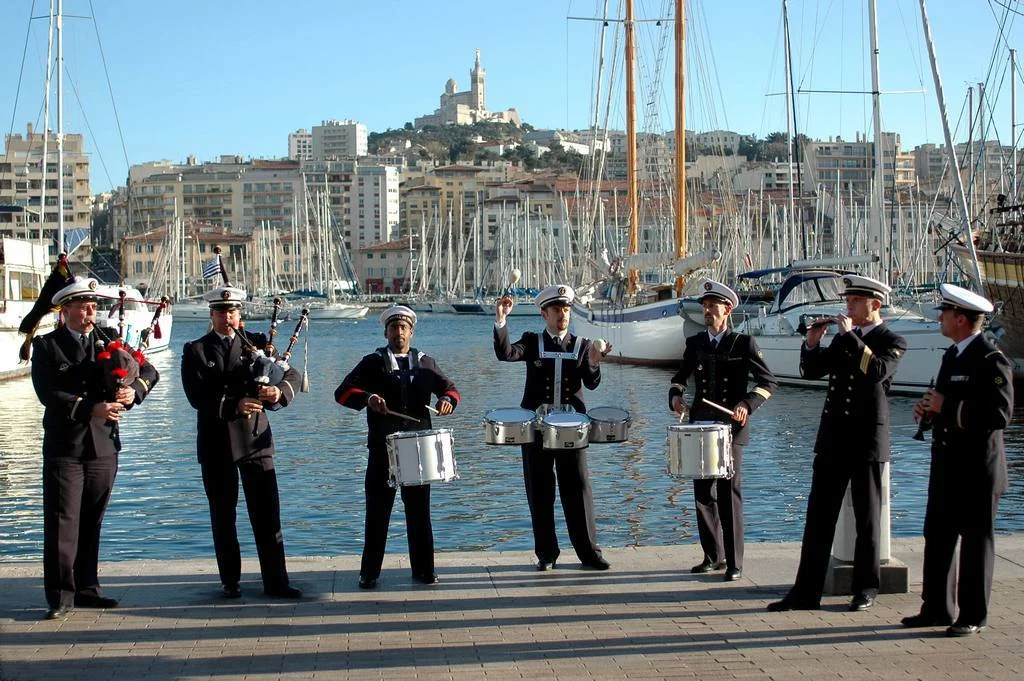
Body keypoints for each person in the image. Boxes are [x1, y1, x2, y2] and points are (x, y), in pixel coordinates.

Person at [767, 274, 907, 613]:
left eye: (855, 302)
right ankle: (806, 591)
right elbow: (812, 371)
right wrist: (812, 344)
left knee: (867, 517)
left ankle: (865, 587)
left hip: (866, 440)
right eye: (848, 301)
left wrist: (849, 336)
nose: (848, 306)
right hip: (833, 438)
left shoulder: (892, 340)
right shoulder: (847, 339)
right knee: (818, 517)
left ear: (875, 305)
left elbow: (874, 371)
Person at [30, 277, 160, 620]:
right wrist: (91, 408)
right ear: (66, 309)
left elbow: (148, 369)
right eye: (84, 305)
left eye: (94, 306)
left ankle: (87, 588)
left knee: (92, 520)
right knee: (62, 522)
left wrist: (134, 392)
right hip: (66, 446)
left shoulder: (108, 340)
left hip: (103, 446)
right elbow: (50, 395)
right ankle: (60, 595)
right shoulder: (47, 346)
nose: (91, 311)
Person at [902, 284, 1013, 637]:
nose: (940, 318)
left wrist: (946, 407)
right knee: (938, 536)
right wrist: (929, 413)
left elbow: (1000, 414)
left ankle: (973, 615)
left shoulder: (991, 359)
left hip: (977, 468)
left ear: (961, 319)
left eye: (945, 313)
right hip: (947, 463)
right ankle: (937, 608)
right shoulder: (952, 356)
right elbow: (944, 403)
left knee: (976, 542)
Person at [180, 286, 302, 600]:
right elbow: (197, 396)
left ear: (240, 314)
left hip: (255, 441)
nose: (227, 317)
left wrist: (279, 393)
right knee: (224, 517)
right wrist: (234, 404)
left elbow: (293, 375)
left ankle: (276, 581)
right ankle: (230, 581)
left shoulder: (259, 344)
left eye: (232, 311)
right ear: (212, 315)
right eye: (221, 312)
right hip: (217, 443)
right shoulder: (196, 350)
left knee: (267, 515)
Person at [335, 305, 460, 589]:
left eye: (403, 328)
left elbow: (451, 389)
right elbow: (341, 393)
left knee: (419, 514)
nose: (398, 332)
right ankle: (369, 573)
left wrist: (447, 401)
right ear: (386, 332)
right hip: (382, 450)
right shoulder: (371, 363)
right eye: (393, 328)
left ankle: (424, 570)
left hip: (418, 451)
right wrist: (368, 399)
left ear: (411, 332)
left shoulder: (426, 363)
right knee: (377, 514)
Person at [494, 284, 610, 571]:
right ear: (544, 313)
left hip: (572, 430)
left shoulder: (582, 345)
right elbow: (506, 353)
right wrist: (501, 319)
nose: (563, 315)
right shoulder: (532, 342)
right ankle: (547, 553)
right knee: (540, 490)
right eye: (557, 310)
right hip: (537, 431)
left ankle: (589, 552)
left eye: (567, 309)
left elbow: (592, 383)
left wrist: (594, 363)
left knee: (579, 489)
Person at [668, 280, 777, 582]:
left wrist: (747, 404)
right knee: (703, 494)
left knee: (729, 495)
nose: (706, 310)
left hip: (731, 428)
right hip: (700, 426)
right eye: (704, 305)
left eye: (712, 306)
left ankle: (734, 561)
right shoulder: (695, 344)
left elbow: (768, 383)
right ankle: (712, 556)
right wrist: (676, 398)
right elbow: (679, 379)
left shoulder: (744, 344)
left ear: (727, 310)